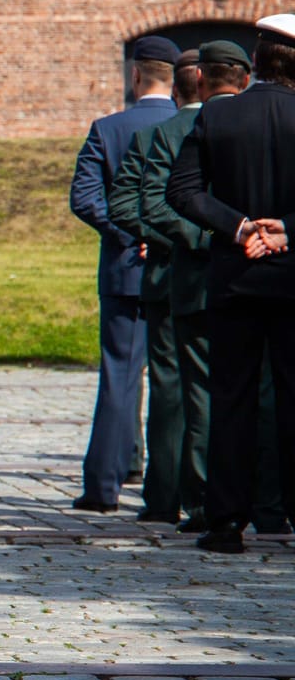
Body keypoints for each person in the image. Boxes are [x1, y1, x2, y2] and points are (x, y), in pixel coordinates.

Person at [168, 13, 295, 554]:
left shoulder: (218, 117)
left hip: (234, 273)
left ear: (257, 63)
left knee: (232, 398)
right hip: (292, 277)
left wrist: (240, 226)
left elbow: (184, 192)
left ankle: (225, 521)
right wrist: (285, 229)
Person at [133, 41, 250, 531]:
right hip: (237, 267)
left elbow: (156, 202)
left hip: (225, 272)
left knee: (204, 392)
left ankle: (214, 499)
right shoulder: (173, 131)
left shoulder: (198, 127)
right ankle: (226, 498)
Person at [69, 34, 179, 512]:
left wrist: (122, 232)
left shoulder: (108, 128)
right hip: (178, 268)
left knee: (119, 376)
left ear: (135, 75)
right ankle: (171, 487)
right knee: (177, 380)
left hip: (124, 267)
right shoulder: (188, 126)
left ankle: (103, 486)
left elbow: (85, 198)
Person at [107, 50, 202, 525]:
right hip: (227, 273)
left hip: (166, 272)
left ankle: (163, 496)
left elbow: (126, 207)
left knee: (168, 388)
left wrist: (164, 239)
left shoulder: (154, 136)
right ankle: (211, 495)